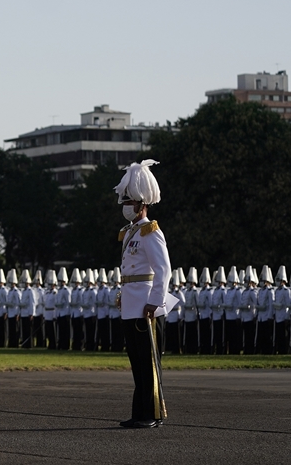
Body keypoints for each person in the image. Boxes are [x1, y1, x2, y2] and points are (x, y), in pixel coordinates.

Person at [114, 160, 172, 429]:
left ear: (142, 204)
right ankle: (139, 412)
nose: (126, 205)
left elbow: (164, 270)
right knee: (137, 363)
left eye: (130, 201)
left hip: (147, 307)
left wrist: (155, 301)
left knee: (148, 363)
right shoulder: (129, 233)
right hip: (132, 305)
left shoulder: (151, 232)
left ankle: (151, 414)